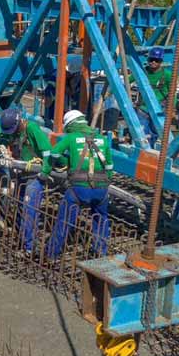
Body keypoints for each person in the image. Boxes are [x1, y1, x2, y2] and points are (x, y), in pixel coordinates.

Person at [44, 109, 114, 259]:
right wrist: (105, 183)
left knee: (65, 221)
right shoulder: (102, 139)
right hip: (101, 190)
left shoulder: (71, 137)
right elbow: (109, 166)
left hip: (78, 190)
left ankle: (51, 254)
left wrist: (67, 162)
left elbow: (54, 153)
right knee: (101, 220)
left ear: (70, 125)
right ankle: (101, 253)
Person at [0, 107, 53, 252]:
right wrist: (3, 145)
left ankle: (30, 248)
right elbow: (3, 138)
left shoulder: (32, 129)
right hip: (21, 174)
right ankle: (22, 238)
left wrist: (45, 172)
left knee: (29, 209)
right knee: (18, 206)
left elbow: (48, 152)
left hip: (34, 175)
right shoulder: (14, 131)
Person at [130, 46, 171, 148]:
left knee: (154, 133)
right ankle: (142, 152)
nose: (153, 62)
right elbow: (127, 80)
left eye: (156, 60)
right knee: (141, 134)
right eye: (151, 59)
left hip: (159, 110)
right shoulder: (142, 71)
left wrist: (172, 109)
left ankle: (150, 150)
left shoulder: (167, 75)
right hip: (143, 109)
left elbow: (172, 94)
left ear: (161, 61)